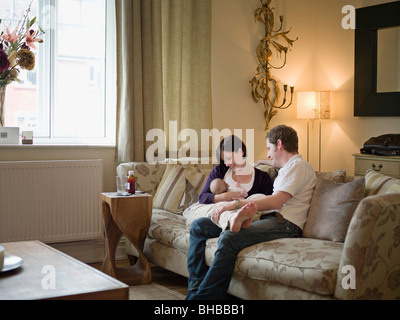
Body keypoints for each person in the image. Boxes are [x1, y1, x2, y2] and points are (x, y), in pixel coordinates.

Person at [186, 125, 317, 300]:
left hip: (285, 225)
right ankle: (194, 289)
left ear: (279, 144)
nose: (269, 154)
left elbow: (276, 200)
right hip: (266, 219)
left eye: (269, 148)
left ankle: (203, 300)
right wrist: (263, 161)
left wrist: (233, 205)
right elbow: (272, 163)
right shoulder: (289, 167)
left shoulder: (299, 167)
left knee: (229, 238)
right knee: (199, 226)